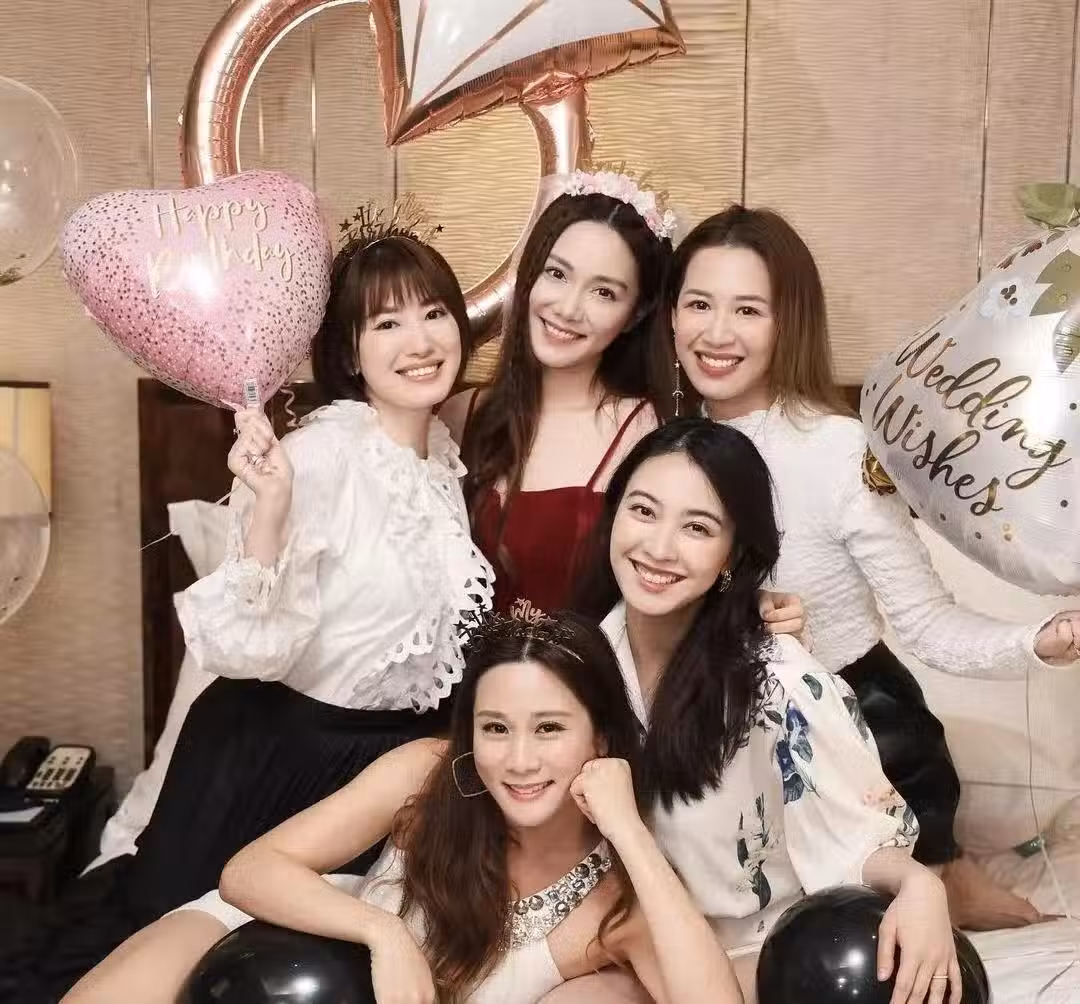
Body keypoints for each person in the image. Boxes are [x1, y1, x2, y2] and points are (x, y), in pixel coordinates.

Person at [5, 206, 494, 1003]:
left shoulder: (443, 462)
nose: (421, 340)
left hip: (374, 779)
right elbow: (241, 647)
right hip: (275, 760)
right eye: (387, 323)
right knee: (177, 967)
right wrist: (267, 511)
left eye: (435, 313)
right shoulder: (321, 453)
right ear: (349, 351)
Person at [658, 206, 1080, 930]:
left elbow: (925, 621)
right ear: (670, 316)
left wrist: (1035, 639)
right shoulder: (659, 445)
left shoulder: (838, 449)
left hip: (864, 740)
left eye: (748, 309)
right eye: (699, 304)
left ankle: (954, 877)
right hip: (721, 745)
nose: (717, 333)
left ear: (789, 322)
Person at [63, 613, 743, 1004]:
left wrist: (627, 830)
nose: (519, 760)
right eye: (495, 728)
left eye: (549, 729)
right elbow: (249, 871)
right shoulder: (428, 772)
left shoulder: (616, 906)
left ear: (601, 739)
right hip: (290, 936)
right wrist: (383, 934)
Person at [559, 418, 962, 1004]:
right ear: (613, 515)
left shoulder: (779, 681)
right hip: (632, 941)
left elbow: (854, 838)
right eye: (643, 511)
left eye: (697, 527)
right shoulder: (573, 663)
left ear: (734, 554)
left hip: (759, 956)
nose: (659, 548)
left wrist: (921, 884)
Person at [439, 169, 674, 616]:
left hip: (583, 661)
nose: (568, 308)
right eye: (557, 274)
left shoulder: (647, 431)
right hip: (453, 663)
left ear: (634, 314)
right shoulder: (458, 416)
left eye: (604, 292)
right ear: (530, 275)